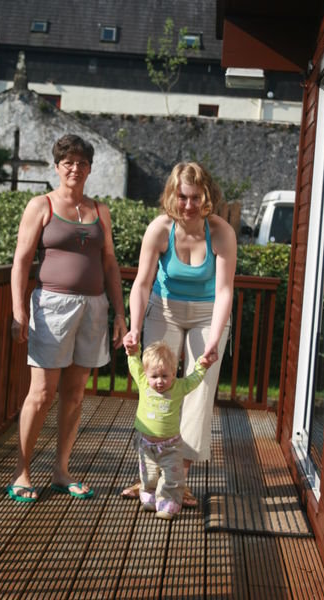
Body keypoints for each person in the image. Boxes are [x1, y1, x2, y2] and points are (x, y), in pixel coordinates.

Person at [7, 134, 127, 503]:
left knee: (74, 396)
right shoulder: (40, 205)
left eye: (82, 163)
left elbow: (109, 263)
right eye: (68, 162)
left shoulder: (99, 210)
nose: (75, 168)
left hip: (93, 309)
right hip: (52, 307)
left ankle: (61, 471)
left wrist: (120, 313)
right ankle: (22, 472)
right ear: (57, 167)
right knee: (42, 394)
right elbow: (21, 261)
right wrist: (19, 312)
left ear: (90, 168)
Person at [122, 161, 236, 507]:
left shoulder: (221, 232)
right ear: (173, 195)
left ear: (207, 197)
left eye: (195, 197)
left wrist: (214, 340)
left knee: (198, 394)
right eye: (182, 197)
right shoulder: (160, 229)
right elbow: (141, 283)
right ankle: (149, 476)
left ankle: (177, 481)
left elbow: (225, 291)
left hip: (207, 315)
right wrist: (135, 327)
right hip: (165, 309)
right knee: (157, 388)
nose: (188, 205)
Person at [127, 340, 208, 519]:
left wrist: (202, 366)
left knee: (172, 477)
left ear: (174, 373)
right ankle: (148, 495)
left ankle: (168, 502)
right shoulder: (143, 382)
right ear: (146, 375)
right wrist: (133, 352)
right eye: (154, 376)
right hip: (146, 444)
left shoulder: (178, 387)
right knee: (147, 475)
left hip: (170, 446)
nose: (160, 381)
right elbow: (134, 364)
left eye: (165, 376)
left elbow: (194, 379)